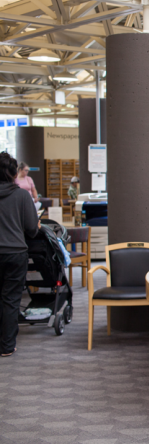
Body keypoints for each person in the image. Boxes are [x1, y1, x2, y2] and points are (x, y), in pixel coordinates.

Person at [0, 152, 40, 357]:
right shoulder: (22, 196)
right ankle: (6, 346)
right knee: (10, 299)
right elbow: (32, 229)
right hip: (15, 253)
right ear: (14, 173)